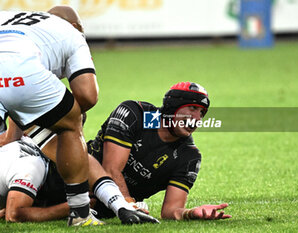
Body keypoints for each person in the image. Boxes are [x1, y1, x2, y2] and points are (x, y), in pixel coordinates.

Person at [0, 6, 101, 226]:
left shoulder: (11, 16)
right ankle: (80, 213)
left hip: (12, 66)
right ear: (76, 26)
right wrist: (56, 119)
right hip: (21, 71)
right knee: (70, 123)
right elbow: (88, 95)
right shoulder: (71, 32)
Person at [88, 81, 232, 220]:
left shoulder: (189, 156)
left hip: (104, 209)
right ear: (173, 107)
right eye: (192, 108)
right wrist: (128, 203)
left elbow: (171, 211)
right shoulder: (134, 114)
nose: (197, 119)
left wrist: (191, 213)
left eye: (202, 113)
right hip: (72, 178)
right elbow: (111, 169)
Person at [0, 134, 159, 224]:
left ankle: (120, 206)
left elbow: (88, 165)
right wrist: (69, 207)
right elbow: (13, 215)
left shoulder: (43, 144)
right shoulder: (32, 164)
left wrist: (121, 205)